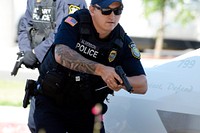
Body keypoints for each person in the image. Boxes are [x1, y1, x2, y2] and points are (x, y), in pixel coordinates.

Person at [34, 0, 148, 132]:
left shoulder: (122, 42)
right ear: (92, 10)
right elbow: (61, 54)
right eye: (106, 11)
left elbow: (142, 84)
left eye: (118, 11)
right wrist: (101, 70)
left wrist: (118, 81)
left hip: (87, 110)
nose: (112, 16)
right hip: (52, 103)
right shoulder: (75, 22)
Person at [17, 0, 87, 132]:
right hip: (46, 74)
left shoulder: (72, 1)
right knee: (35, 123)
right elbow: (24, 26)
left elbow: (64, 33)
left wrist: (36, 53)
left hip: (70, 77)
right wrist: (26, 52)